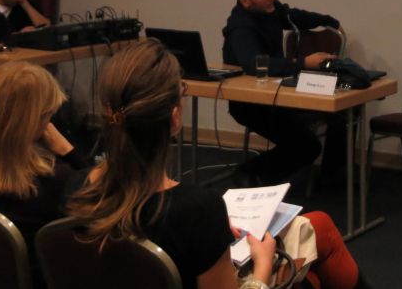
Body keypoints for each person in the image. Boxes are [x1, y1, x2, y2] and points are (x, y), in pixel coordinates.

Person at [67, 40, 369, 289]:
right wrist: (263, 266)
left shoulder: (75, 190)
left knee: (315, 240)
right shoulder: (196, 210)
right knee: (313, 258)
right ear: (175, 118)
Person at [0, 61, 90, 284]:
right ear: (32, 123)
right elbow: (104, 201)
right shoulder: (57, 183)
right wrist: (70, 152)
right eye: (46, 116)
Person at [222, 0, 344, 186]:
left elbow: (292, 16)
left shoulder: (270, 9)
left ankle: (331, 181)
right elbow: (254, 64)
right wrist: (303, 63)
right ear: (245, 1)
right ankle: (249, 176)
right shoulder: (241, 27)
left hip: (279, 95)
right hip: (252, 104)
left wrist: (329, 21)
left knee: (340, 111)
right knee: (307, 146)